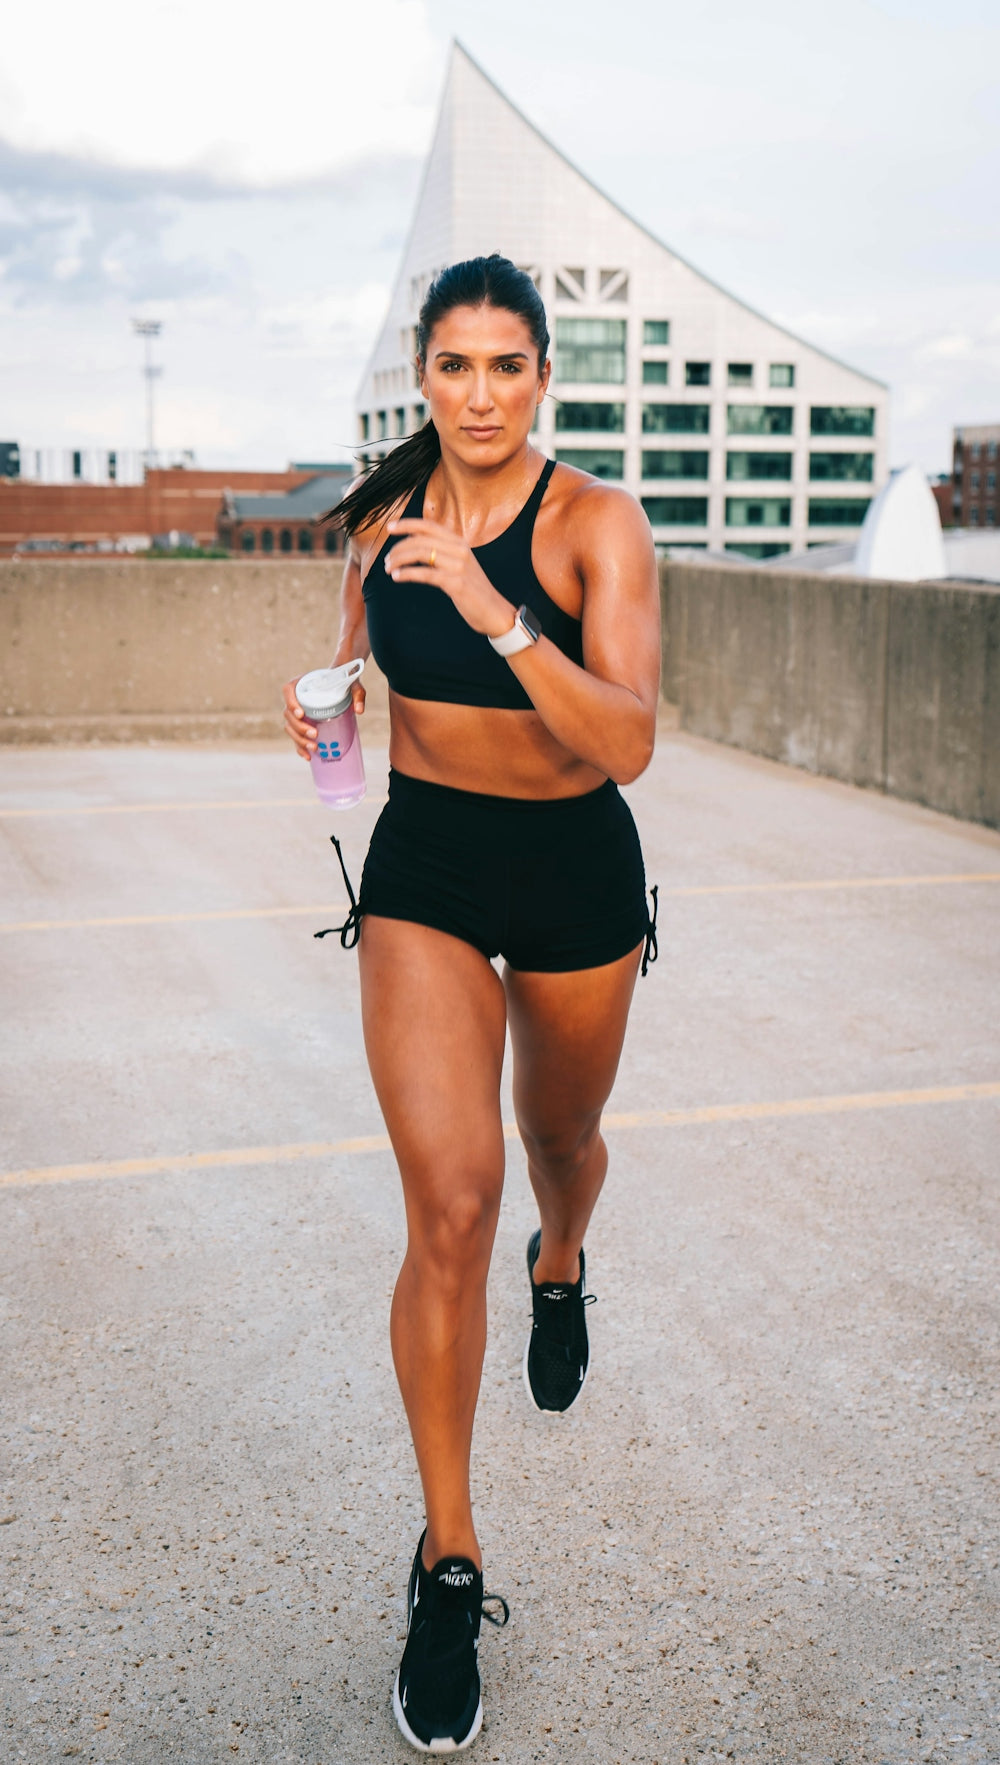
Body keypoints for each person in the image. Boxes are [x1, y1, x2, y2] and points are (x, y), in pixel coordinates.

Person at [283, 254, 660, 1754]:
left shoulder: (596, 528)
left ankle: (561, 1258)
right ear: (422, 378)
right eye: (457, 366)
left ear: (542, 379)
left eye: (509, 366)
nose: (482, 393)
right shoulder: (383, 525)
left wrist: (505, 617)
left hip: (574, 871)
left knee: (558, 1143)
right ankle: (450, 1558)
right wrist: (324, 717)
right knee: (449, 1198)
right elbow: (353, 688)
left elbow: (627, 736)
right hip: (429, 864)